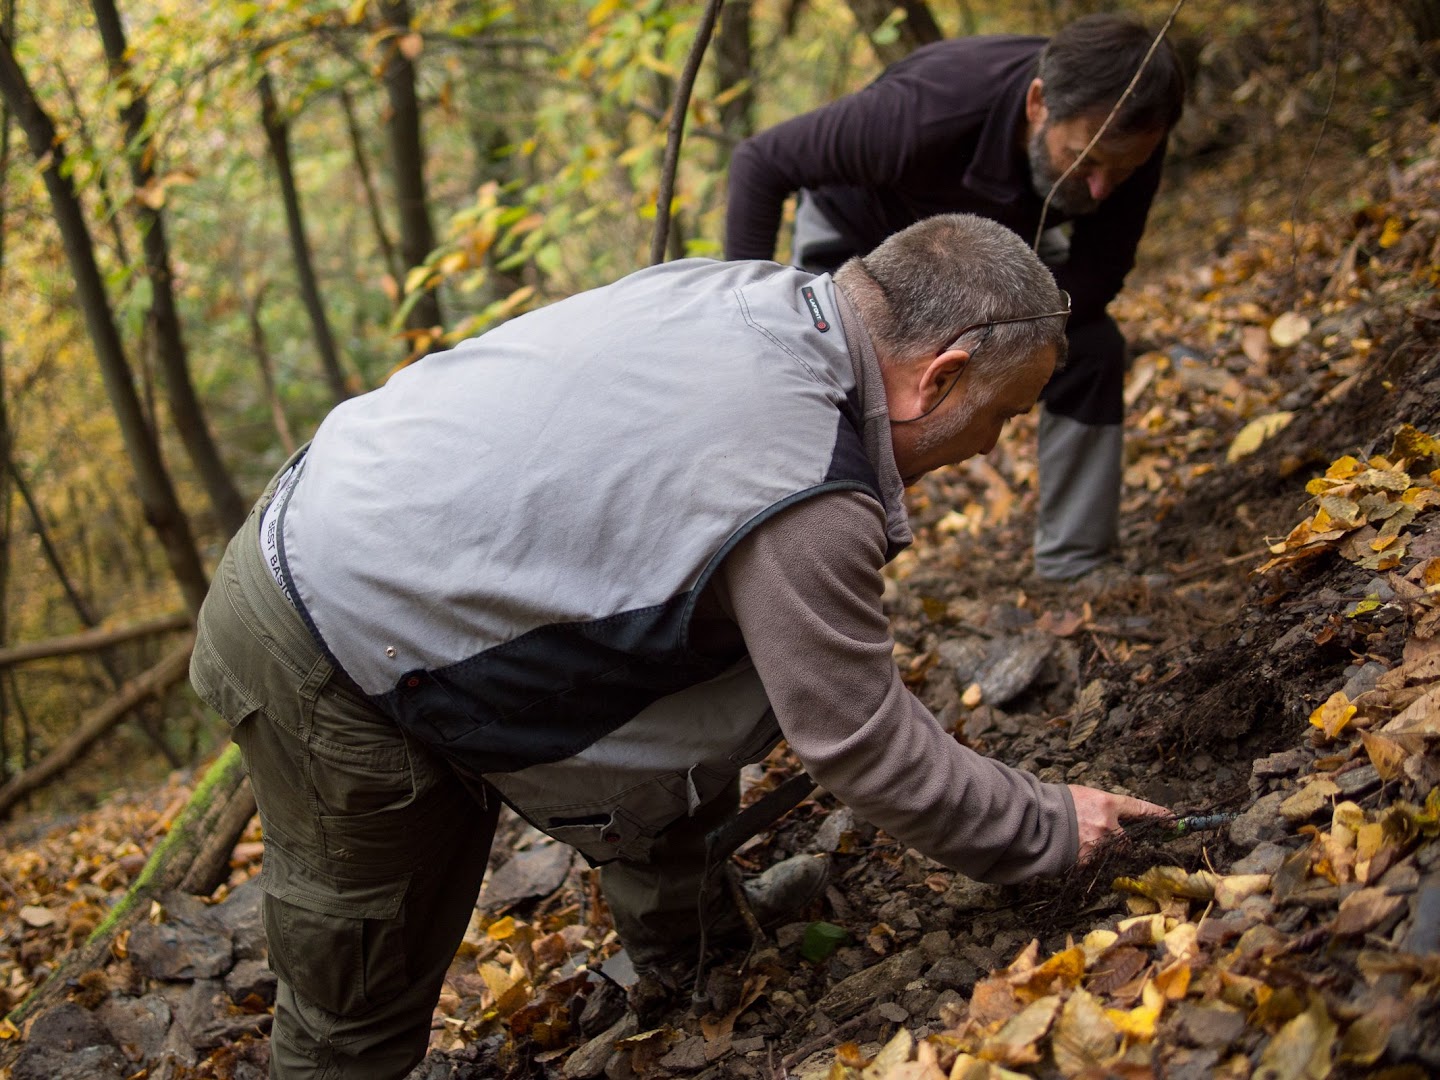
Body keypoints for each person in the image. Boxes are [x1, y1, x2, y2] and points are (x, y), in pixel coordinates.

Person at [189, 212, 1165, 1080]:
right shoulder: (804, 489)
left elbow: (656, 593)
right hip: (320, 627)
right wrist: (1046, 826)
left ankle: (693, 956)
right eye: (998, 416)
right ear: (939, 377)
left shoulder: (755, 295)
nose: (992, 447)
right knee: (365, 980)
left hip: (375, 513)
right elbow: (862, 743)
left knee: (694, 650)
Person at [725, 14, 1186, 581]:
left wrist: (1008, 334)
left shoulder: (1127, 136)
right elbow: (761, 162)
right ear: (1039, 102)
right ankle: (810, 575)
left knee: (1091, 349)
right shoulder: (927, 110)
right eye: (1084, 161)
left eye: (1123, 170)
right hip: (862, 249)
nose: (1101, 188)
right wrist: (743, 319)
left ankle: (1076, 564)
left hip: (992, 271)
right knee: (836, 394)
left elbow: (1100, 271)